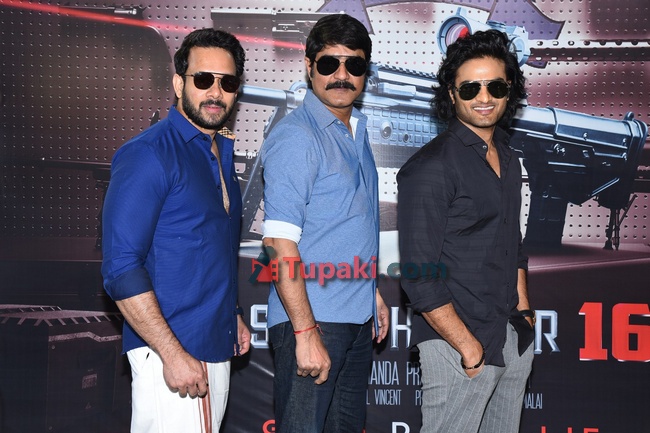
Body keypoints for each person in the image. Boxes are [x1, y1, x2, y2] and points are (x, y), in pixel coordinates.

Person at [101, 28, 251, 433]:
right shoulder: (148, 154)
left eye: (227, 82)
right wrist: (171, 353)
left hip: (213, 344)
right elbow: (120, 268)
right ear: (178, 84)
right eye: (203, 79)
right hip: (172, 351)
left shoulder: (219, 153)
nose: (215, 92)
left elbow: (211, 252)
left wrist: (232, 313)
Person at [397, 29, 535, 433]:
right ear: (452, 94)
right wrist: (467, 347)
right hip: (458, 343)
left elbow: (513, 245)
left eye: (496, 86)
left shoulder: (508, 158)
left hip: (510, 334)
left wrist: (524, 314)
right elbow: (418, 274)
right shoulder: (431, 166)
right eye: (471, 87)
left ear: (510, 91)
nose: (484, 97)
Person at [260, 13, 390, 433]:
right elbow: (279, 244)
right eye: (330, 63)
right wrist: (305, 331)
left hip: (355, 319)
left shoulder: (354, 131)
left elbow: (343, 226)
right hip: (314, 320)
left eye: (354, 64)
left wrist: (369, 292)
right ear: (309, 66)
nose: (341, 75)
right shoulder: (298, 137)